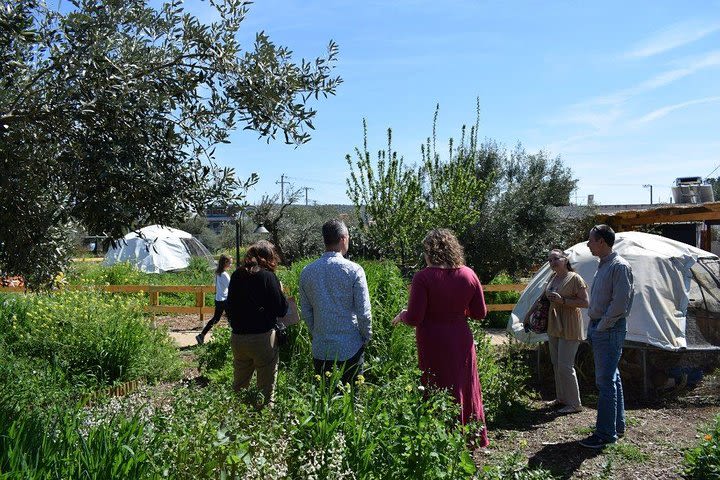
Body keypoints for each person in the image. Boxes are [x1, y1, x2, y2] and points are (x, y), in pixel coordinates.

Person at [392, 229, 489, 447]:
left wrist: (402, 315)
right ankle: (469, 437)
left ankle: (439, 439)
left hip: (433, 340)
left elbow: (415, 317)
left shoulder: (423, 277)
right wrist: (458, 311)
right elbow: (480, 313)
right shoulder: (468, 274)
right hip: (460, 339)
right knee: (464, 385)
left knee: (436, 385)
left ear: (429, 251)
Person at [579, 224, 634, 449]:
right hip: (601, 327)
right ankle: (616, 426)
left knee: (606, 382)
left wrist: (602, 326)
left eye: (591, 240)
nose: (588, 244)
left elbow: (620, 303)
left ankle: (605, 434)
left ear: (602, 241)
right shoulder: (604, 265)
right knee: (613, 377)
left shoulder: (619, 267)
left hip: (608, 330)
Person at [299, 219, 372, 385]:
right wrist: (366, 337)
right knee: (351, 400)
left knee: (324, 399)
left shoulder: (307, 272)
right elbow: (364, 312)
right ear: (343, 239)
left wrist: (317, 333)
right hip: (350, 348)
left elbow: (306, 311)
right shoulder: (354, 270)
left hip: (321, 348)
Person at [226, 241, 288, 406]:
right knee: (266, 390)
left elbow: (229, 308)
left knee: (239, 387)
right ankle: (264, 422)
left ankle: (237, 421)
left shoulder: (237, 275)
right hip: (263, 338)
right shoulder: (269, 277)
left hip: (238, 339)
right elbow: (281, 309)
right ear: (269, 257)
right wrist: (280, 291)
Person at [544, 248, 589, 414]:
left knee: (565, 365)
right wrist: (528, 316)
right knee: (556, 363)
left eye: (556, 258)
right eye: (550, 260)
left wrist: (563, 300)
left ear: (565, 259)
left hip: (569, 322)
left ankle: (575, 403)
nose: (553, 262)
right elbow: (543, 297)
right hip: (554, 322)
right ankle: (562, 398)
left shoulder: (575, 278)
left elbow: (585, 302)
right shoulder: (552, 278)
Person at [196, 254, 232, 345]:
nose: (231, 264)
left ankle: (202, 335)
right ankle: (233, 339)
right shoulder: (224, 275)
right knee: (232, 319)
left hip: (218, 299)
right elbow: (231, 287)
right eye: (230, 262)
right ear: (225, 262)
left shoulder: (218, 273)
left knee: (216, 319)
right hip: (225, 300)